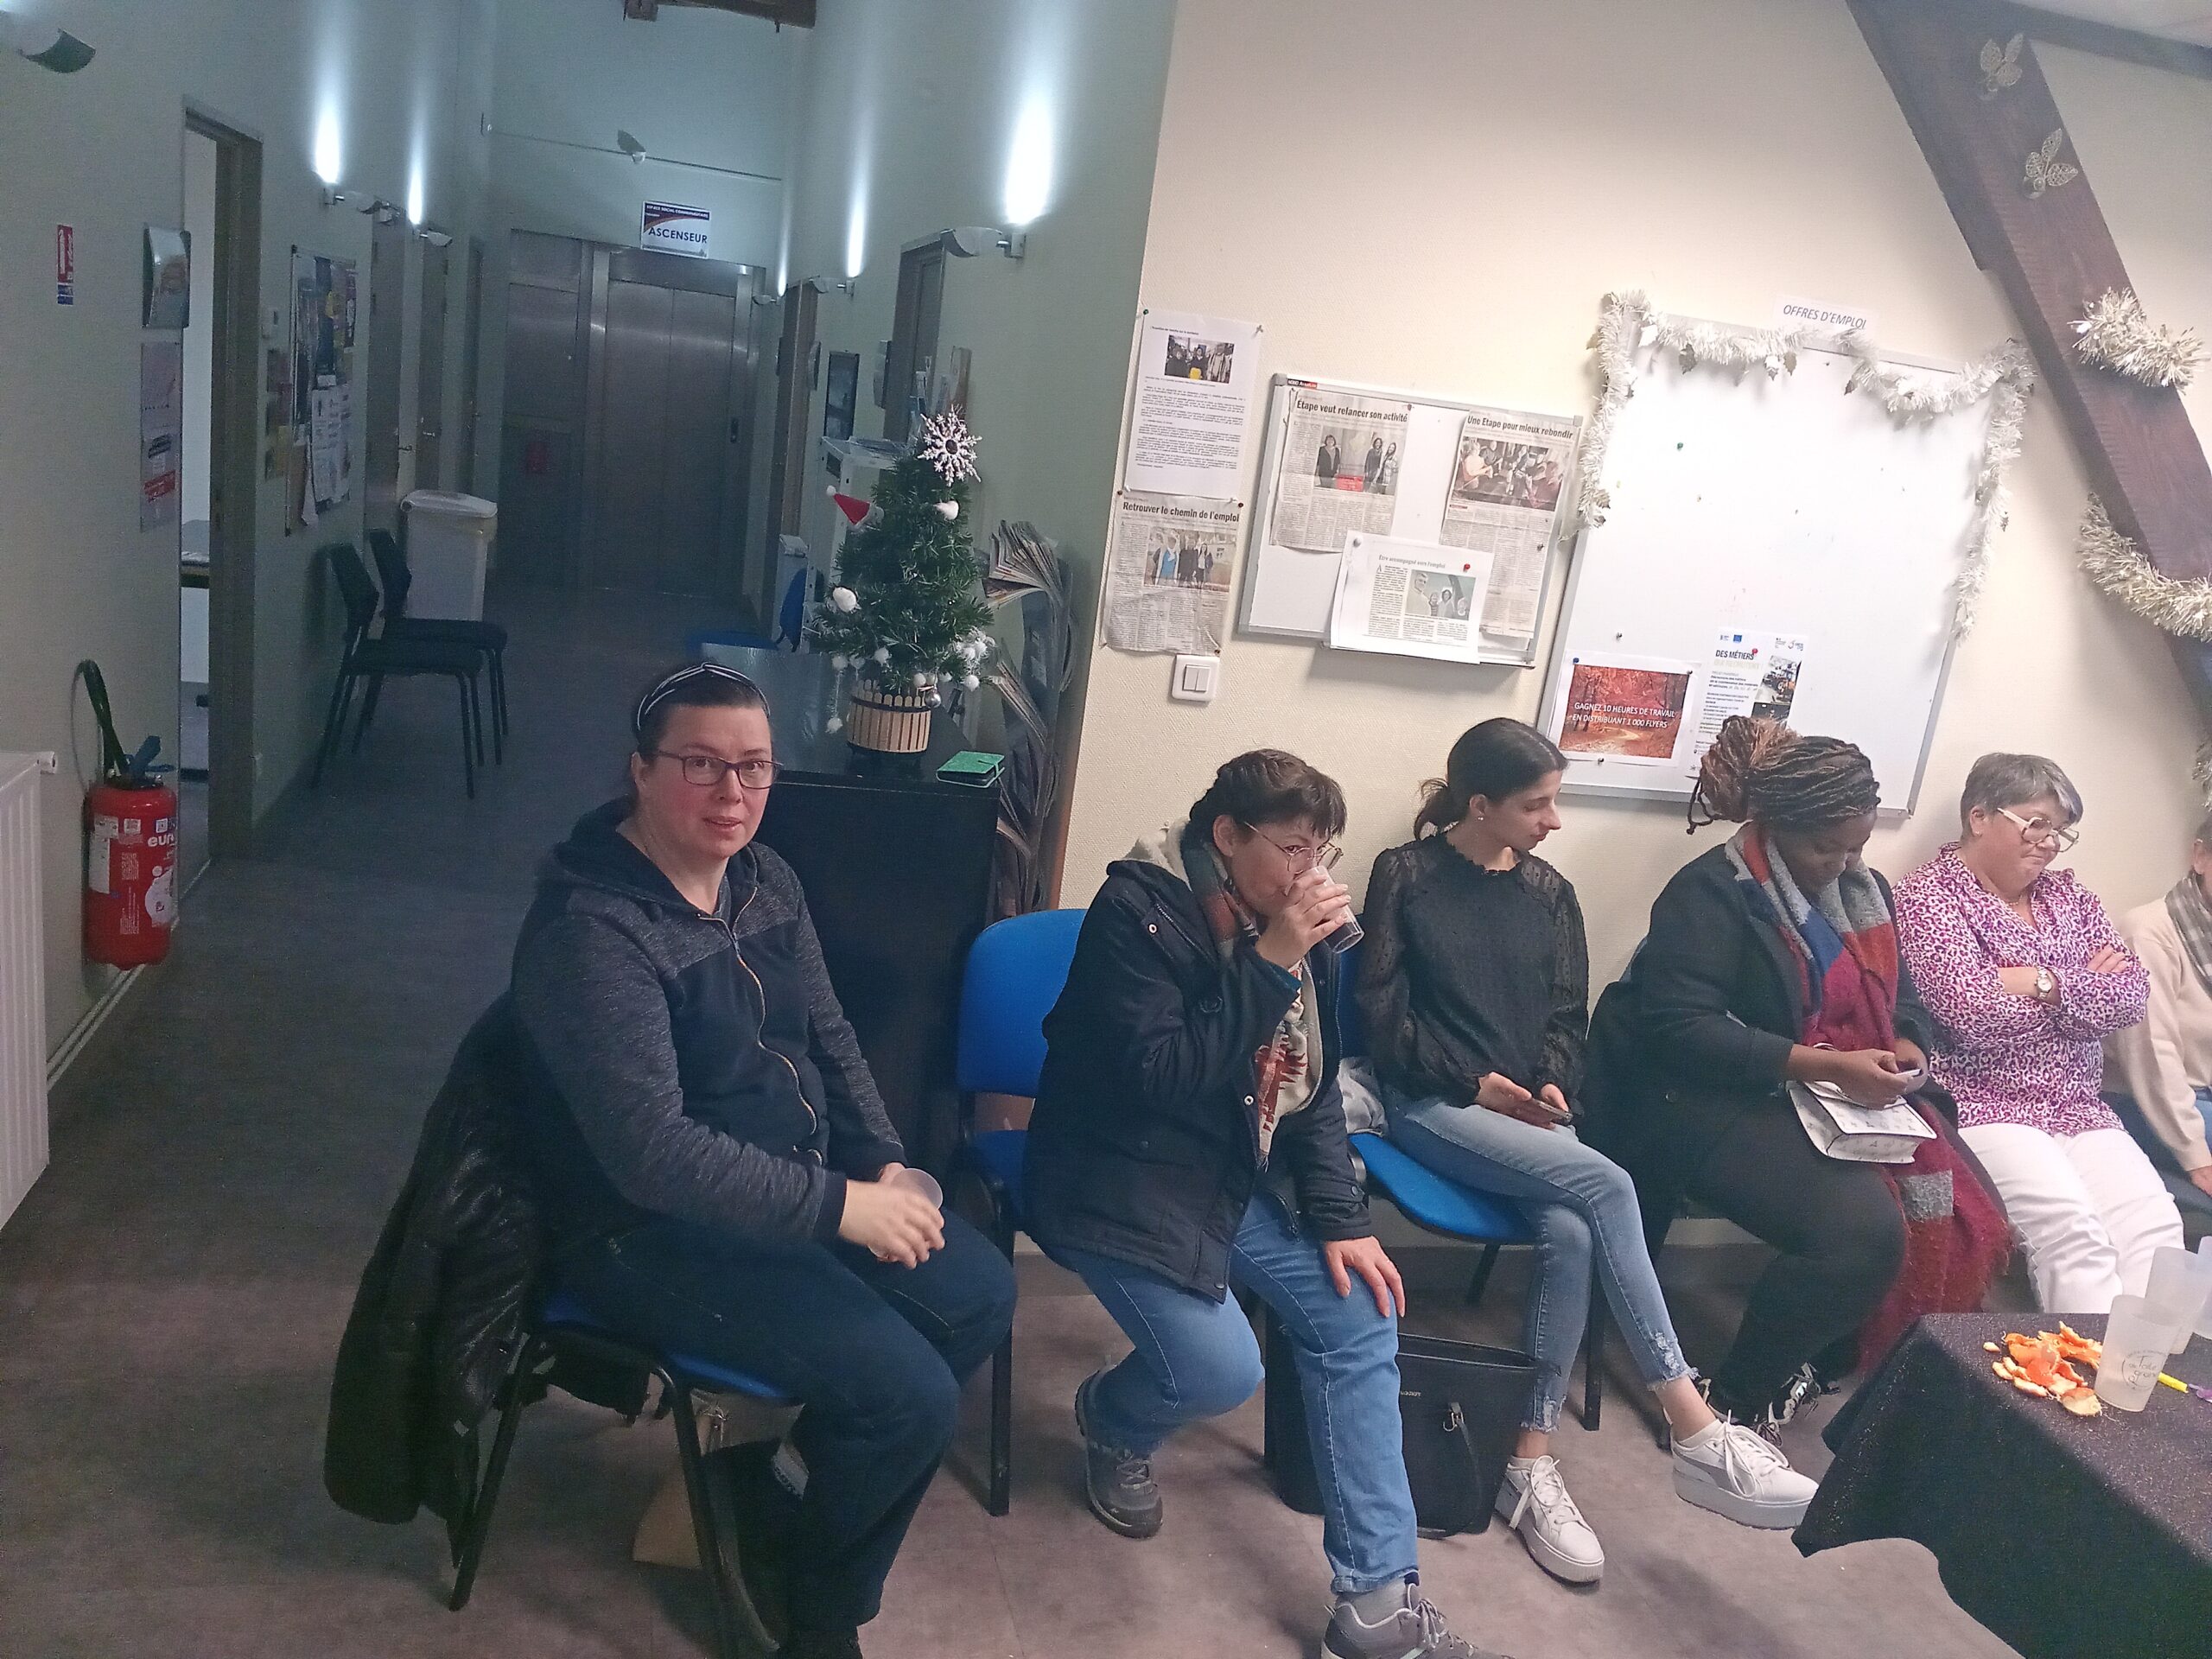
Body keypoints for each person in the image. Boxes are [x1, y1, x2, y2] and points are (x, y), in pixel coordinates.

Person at [508, 662, 1016, 1659]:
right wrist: (840, 1208)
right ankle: (815, 1610)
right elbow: (652, 1157)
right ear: (641, 771)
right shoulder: (593, 933)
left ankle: (774, 1491)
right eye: (700, 764)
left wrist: (883, 1164)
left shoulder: (764, 879)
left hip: (791, 1191)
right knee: (907, 1397)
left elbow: (829, 1033)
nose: (732, 793)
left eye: (754, 767)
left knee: (977, 1294)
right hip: (644, 1235)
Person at [1026, 751, 1508, 1659]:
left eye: (1321, 851)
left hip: (1226, 1174)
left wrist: (1341, 1219)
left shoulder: (1283, 924)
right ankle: (1112, 1419)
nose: (1310, 872)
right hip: (1116, 1175)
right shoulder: (1136, 912)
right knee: (1221, 1370)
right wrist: (1274, 961)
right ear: (1225, 835)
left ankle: (1378, 1604)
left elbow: (1307, 1088)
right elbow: (1161, 1079)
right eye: (1292, 849)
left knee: (1360, 1309)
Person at [1361, 720, 1817, 1585]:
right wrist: (1480, 1085)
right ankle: (1693, 1424)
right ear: (1479, 804)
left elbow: (1566, 1021)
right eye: (1536, 805)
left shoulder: (1550, 892)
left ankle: (1527, 1460)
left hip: (1528, 1117)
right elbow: (1384, 1020)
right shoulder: (1405, 875)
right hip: (1431, 1103)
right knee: (1607, 1184)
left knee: (1571, 1233)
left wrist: (1552, 1085)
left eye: (1556, 801)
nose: (1554, 820)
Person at [1586, 716, 2005, 1433]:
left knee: (1976, 1212)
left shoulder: (1865, 892)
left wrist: (1908, 1044)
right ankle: (1733, 1401)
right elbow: (1681, 1030)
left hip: (1827, 1094)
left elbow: (1901, 997)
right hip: (1698, 1098)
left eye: (1856, 847)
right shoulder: (1712, 892)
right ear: (1775, 827)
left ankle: (1818, 1358)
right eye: (1824, 847)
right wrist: (1826, 1065)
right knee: (1861, 1233)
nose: (1843, 864)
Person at [1897, 753, 2183, 1313]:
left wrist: (2039, 981)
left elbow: (2129, 998)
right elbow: (1970, 1014)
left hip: (2079, 1107)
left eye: (2060, 830)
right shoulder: (1928, 897)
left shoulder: (2070, 897)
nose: (2050, 843)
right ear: (1980, 818)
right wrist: (2081, 991)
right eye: (2036, 824)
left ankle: (2147, 1365)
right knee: (2074, 1234)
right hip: (1984, 1105)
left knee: (2158, 1232)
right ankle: (2083, 1366)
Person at [2106, 809, 2212, 1198]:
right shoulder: (2149, 933)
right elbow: (2153, 1053)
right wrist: (2197, 1156)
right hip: (2149, 1103)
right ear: (2200, 856)